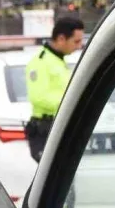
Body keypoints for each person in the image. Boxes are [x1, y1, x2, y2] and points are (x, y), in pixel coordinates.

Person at [24, 16, 85, 162]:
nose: (79, 46)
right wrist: (73, 102)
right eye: (76, 41)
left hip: (59, 127)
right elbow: (38, 97)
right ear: (61, 38)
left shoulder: (58, 61)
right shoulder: (41, 62)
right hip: (46, 130)